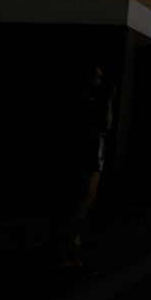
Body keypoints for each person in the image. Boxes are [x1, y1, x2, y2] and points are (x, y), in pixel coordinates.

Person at [55, 63, 115, 276]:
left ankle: (73, 258)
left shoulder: (83, 100)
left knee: (80, 213)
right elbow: (104, 126)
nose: (100, 81)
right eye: (97, 77)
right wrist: (108, 102)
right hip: (84, 164)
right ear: (87, 79)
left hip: (88, 163)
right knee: (76, 212)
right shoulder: (81, 101)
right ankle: (66, 259)